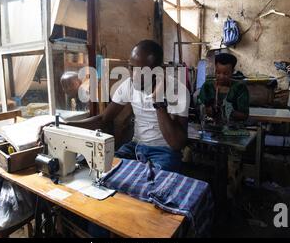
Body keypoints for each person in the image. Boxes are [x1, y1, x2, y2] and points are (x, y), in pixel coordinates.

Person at [68, 39, 189, 173]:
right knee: (107, 171)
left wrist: (158, 100)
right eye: (131, 68)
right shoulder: (128, 85)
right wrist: (65, 125)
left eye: (142, 71)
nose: (134, 76)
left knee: (155, 183)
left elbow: (177, 143)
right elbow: (104, 119)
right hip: (135, 147)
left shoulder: (178, 91)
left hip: (164, 152)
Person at [198, 52, 249, 125]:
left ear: (232, 72)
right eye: (218, 73)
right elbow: (200, 107)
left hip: (233, 129)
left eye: (225, 73)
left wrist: (227, 111)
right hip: (212, 128)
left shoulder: (239, 88)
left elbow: (244, 115)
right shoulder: (207, 86)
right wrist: (208, 109)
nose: (221, 76)